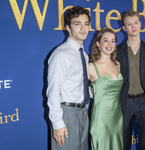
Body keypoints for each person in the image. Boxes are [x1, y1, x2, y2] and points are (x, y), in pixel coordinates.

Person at [116, 10, 145, 150]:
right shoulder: (117, 51)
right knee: (123, 144)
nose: (133, 26)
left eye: (136, 22)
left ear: (140, 24)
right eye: (129, 24)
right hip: (124, 103)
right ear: (124, 28)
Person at [46, 6, 91, 150]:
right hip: (66, 114)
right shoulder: (61, 55)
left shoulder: (84, 55)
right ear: (68, 27)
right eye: (77, 23)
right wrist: (58, 123)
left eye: (86, 23)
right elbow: (53, 92)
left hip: (83, 112)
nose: (83, 28)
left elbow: (77, 85)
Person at [88, 28, 124, 150]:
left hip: (117, 116)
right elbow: (78, 89)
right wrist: (92, 91)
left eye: (113, 41)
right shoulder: (91, 67)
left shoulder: (117, 64)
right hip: (101, 117)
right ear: (98, 43)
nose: (110, 44)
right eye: (106, 40)